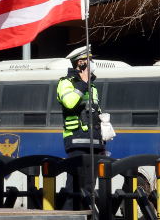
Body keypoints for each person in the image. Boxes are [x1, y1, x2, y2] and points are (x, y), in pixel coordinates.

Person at [57, 46, 103, 208]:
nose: (93, 64)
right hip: (76, 140)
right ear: (81, 64)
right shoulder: (65, 83)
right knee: (74, 187)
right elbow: (69, 103)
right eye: (89, 61)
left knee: (89, 190)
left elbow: (95, 114)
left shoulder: (93, 87)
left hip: (94, 143)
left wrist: (102, 141)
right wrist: (82, 83)